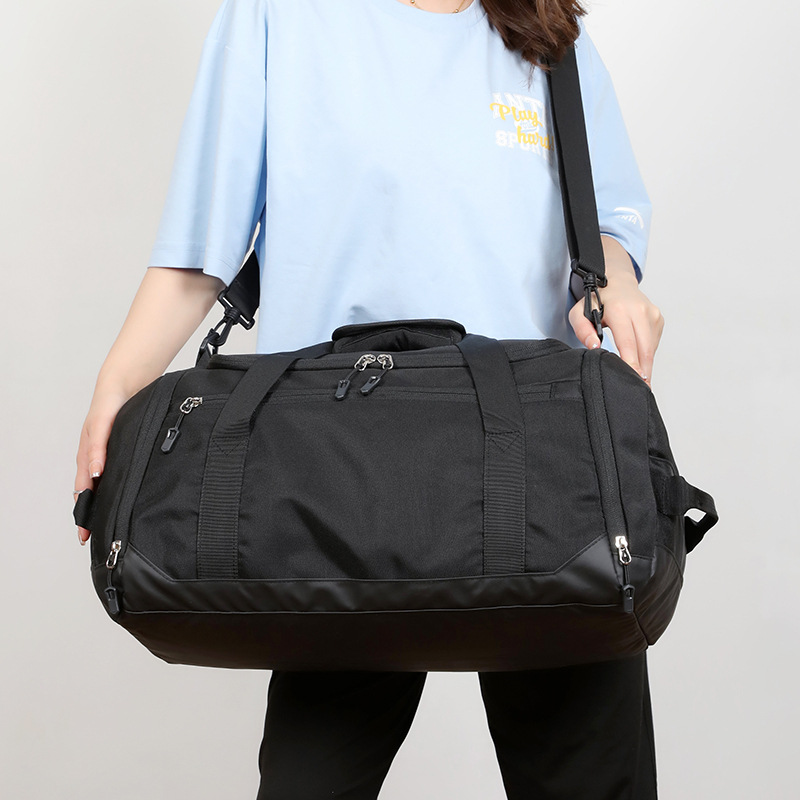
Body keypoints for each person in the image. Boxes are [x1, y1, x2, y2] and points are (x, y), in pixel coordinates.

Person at [74, 0, 664, 797]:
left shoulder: (549, 29)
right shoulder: (277, 14)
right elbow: (199, 252)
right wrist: (116, 391)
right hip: (337, 472)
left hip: (538, 469)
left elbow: (605, 224)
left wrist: (616, 280)